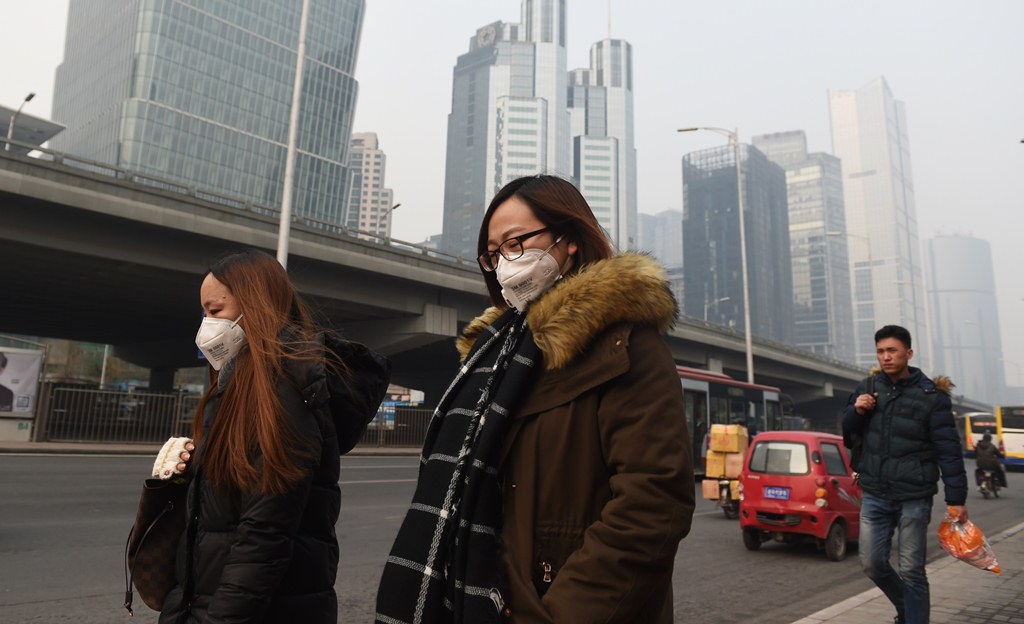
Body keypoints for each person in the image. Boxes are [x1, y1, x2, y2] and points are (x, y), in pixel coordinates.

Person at [375, 175, 694, 624]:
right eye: (493, 253)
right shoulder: (495, 360)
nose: (506, 263)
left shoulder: (626, 347)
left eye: (517, 242)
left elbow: (654, 504)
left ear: (569, 241)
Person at [158, 248, 390, 624]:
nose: (207, 325)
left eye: (215, 311)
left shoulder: (280, 391)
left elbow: (264, 535)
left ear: (255, 304)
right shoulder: (239, 384)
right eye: (204, 313)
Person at [842, 324, 968, 624]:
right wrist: (855, 411)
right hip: (875, 493)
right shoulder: (867, 388)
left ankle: (914, 618)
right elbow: (848, 434)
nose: (886, 357)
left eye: (892, 351)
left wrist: (956, 499)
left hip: (914, 496)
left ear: (908, 353)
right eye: (880, 352)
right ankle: (907, 608)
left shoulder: (932, 397)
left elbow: (948, 451)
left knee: (912, 570)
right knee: (871, 564)